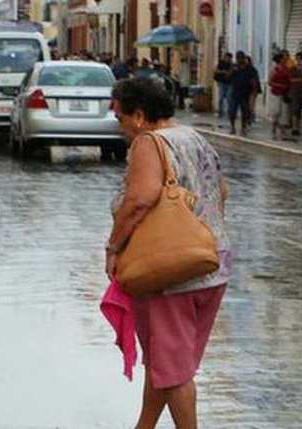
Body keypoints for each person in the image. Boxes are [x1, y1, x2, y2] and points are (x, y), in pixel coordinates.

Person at [107, 78, 231, 429]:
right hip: (210, 262)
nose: (119, 128)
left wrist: (114, 246)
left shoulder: (149, 142)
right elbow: (222, 190)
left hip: (171, 272)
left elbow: (139, 200)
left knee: (174, 372)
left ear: (139, 116)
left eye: (120, 118)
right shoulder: (195, 137)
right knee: (170, 362)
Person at [227, 50, 257, 135]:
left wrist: (254, 92)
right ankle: (232, 127)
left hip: (245, 93)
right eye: (237, 58)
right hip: (235, 92)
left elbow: (253, 81)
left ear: (244, 58)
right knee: (232, 111)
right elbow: (227, 78)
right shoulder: (234, 67)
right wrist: (232, 71)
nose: (239, 60)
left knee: (245, 111)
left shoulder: (250, 69)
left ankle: (243, 127)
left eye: (241, 58)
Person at [268, 52, 292, 141]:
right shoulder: (274, 69)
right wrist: (279, 85)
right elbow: (270, 82)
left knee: (284, 112)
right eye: (283, 59)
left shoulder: (287, 69)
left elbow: (289, 80)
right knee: (276, 111)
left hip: (285, 92)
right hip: (276, 92)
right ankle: (273, 129)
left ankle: (282, 131)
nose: (284, 60)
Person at [288, 52, 302, 136]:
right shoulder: (292, 68)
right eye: (297, 59)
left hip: (301, 91)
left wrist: (301, 70)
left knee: (299, 109)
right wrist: (298, 79)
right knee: (294, 108)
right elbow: (290, 79)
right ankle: (294, 127)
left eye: (300, 59)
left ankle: (298, 127)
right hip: (294, 90)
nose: (299, 61)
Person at [213, 52, 233, 121]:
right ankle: (220, 112)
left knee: (229, 98)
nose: (227, 59)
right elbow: (215, 70)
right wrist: (223, 72)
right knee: (221, 98)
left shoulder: (232, 65)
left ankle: (229, 113)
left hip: (229, 83)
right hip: (221, 83)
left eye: (229, 58)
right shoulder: (221, 63)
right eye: (226, 57)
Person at [246, 55, 262, 127]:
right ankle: (247, 117)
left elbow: (255, 81)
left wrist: (255, 90)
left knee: (251, 105)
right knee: (247, 105)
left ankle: (250, 117)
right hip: (245, 91)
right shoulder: (242, 69)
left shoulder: (252, 70)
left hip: (252, 90)